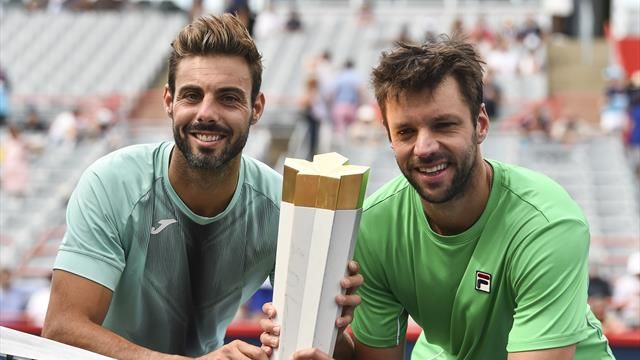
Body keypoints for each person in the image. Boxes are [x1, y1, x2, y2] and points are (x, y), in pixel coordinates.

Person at [261, 36, 613, 359]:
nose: (424, 148)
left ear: (481, 125)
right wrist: (330, 344)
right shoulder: (375, 225)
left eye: (444, 125)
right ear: (389, 137)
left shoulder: (547, 223)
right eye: (406, 132)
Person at [42, 14, 361, 360]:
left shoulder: (282, 207)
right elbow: (62, 329)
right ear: (169, 102)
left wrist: (331, 328)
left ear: (256, 108)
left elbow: (326, 352)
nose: (206, 113)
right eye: (192, 96)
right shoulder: (111, 183)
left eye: (228, 98)